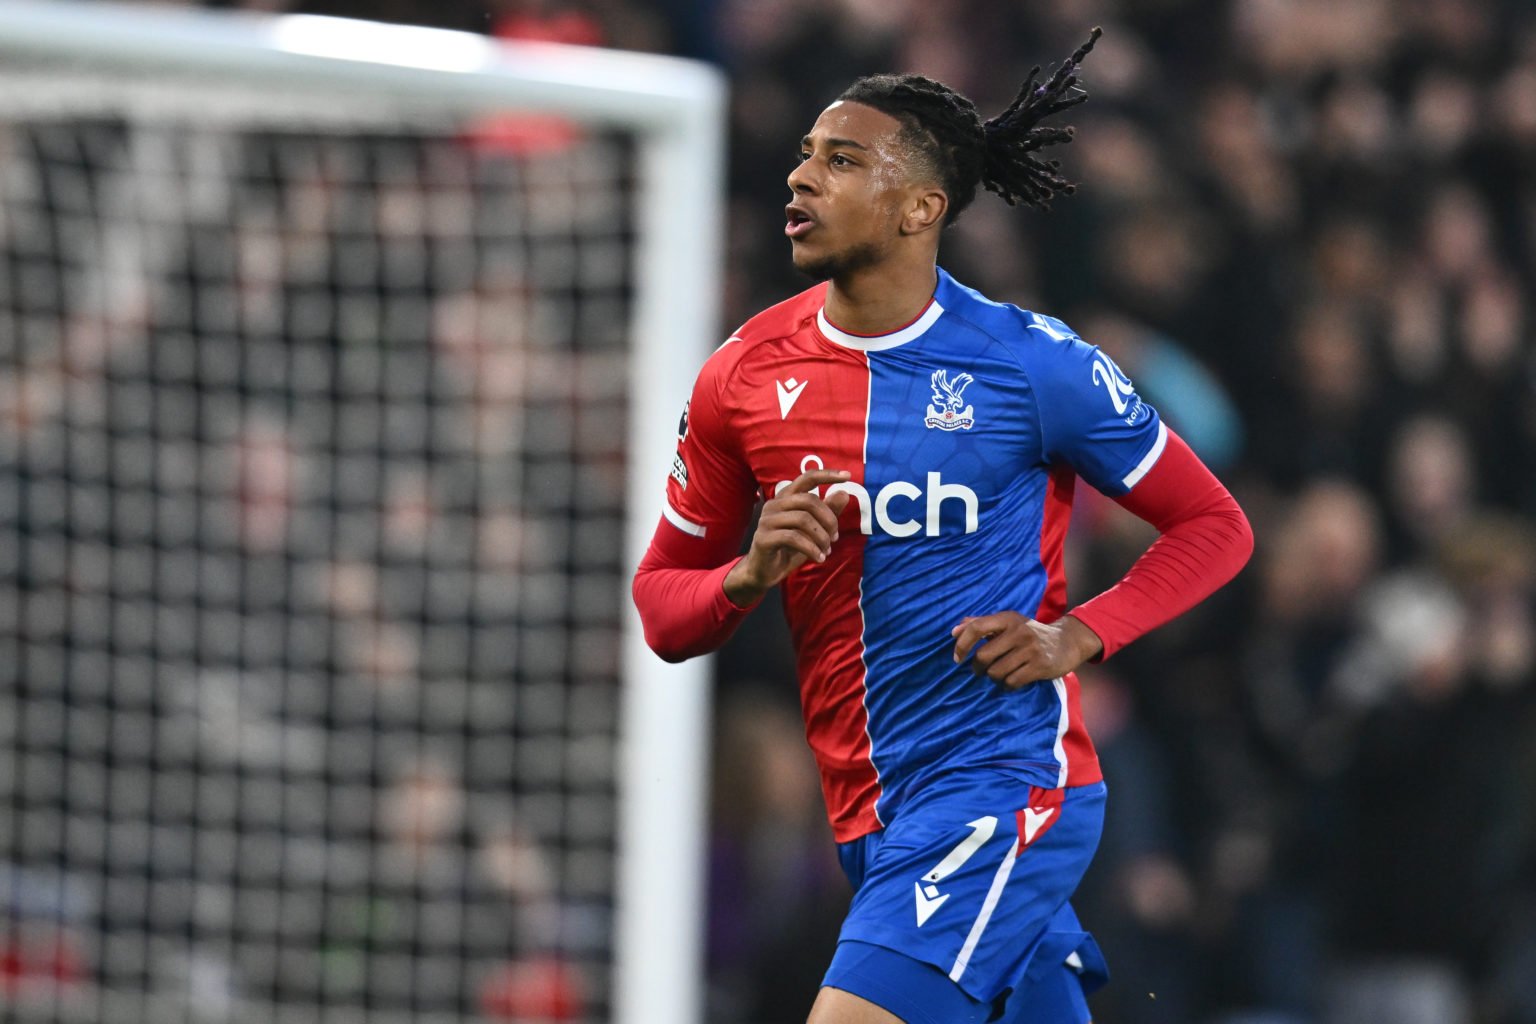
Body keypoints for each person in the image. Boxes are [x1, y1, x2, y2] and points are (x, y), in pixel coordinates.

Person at [632, 29, 1253, 1024]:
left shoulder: (1032, 365)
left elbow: (1214, 525)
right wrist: (747, 575)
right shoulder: (742, 377)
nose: (803, 175)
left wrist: (1080, 633)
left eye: (842, 161)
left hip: (1002, 790)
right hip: (871, 812)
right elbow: (664, 608)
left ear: (923, 206)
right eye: (804, 153)